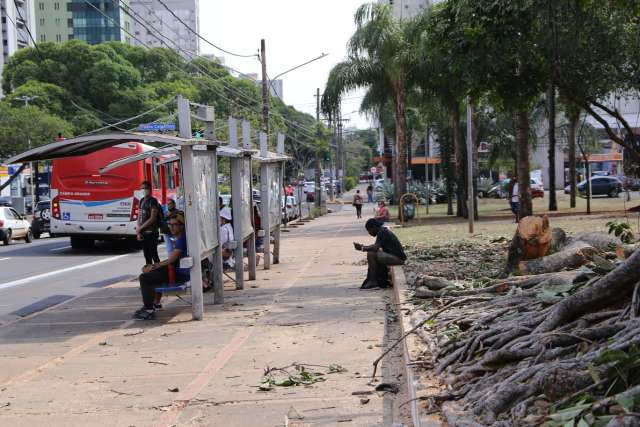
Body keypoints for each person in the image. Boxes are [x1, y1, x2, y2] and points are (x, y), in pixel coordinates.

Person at [134, 214, 190, 320]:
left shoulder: (182, 240)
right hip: (176, 269)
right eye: (170, 224)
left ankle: (149, 310)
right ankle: (154, 303)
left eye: (175, 225)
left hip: (178, 273)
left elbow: (171, 260)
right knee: (152, 274)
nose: (171, 227)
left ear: (182, 226)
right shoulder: (182, 237)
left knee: (144, 277)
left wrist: (153, 266)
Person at [354, 219, 406, 289]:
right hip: (394, 257)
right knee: (372, 253)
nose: (369, 233)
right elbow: (377, 247)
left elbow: (375, 247)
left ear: (374, 227)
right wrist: (364, 247)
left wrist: (362, 248)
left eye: (369, 230)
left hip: (398, 259)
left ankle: (373, 281)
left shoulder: (382, 232)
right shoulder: (381, 231)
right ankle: (376, 280)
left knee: (371, 254)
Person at [137, 181, 160, 265]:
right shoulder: (141, 201)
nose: (144, 190)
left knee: (154, 255)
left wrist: (140, 228)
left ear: (150, 189)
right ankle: (150, 274)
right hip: (143, 233)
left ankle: (159, 273)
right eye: (142, 188)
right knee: (147, 256)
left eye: (146, 188)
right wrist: (138, 231)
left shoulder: (153, 201)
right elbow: (139, 217)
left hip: (152, 233)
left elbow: (153, 218)